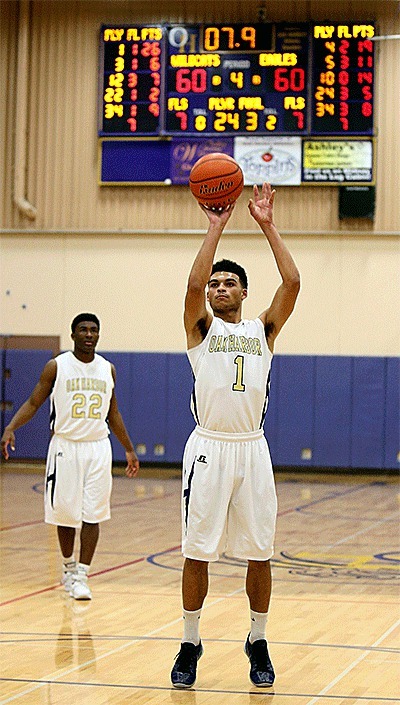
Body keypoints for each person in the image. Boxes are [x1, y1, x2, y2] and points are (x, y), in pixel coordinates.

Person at [170, 182, 300, 689]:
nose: (218, 288)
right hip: (207, 448)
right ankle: (190, 640)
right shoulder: (202, 330)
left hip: (252, 449)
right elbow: (190, 286)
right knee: (196, 550)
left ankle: (258, 638)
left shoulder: (263, 330)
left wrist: (267, 224)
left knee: (259, 551)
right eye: (215, 284)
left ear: (244, 293)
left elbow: (292, 282)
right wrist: (216, 224)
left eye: (228, 284)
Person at [0, 313, 139, 600]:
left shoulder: (107, 369)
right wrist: (11, 427)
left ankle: (83, 574)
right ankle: (68, 568)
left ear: (99, 335)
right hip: (66, 447)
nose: (89, 334)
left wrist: (128, 448)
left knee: (93, 514)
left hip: (98, 447)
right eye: (83, 330)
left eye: (94, 330)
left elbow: (113, 413)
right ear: (73, 334)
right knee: (66, 513)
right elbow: (34, 401)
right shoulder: (57, 366)